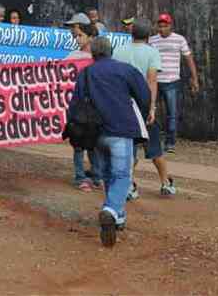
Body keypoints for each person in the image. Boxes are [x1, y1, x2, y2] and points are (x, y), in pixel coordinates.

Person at [68, 37, 150, 247]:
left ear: (93, 54)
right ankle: (111, 209)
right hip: (121, 129)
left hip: (95, 134)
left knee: (106, 174)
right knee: (122, 174)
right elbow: (144, 94)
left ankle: (119, 217)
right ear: (111, 51)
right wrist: (142, 113)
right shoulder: (126, 70)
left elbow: (75, 104)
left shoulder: (85, 73)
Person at [113, 20, 176, 199]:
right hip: (143, 103)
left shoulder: (118, 50)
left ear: (131, 33)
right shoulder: (152, 52)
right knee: (154, 146)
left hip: (124, 103)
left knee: (128, 146)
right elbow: (152, 80)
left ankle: (129, 187)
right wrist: (152, 107)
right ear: (148, 36)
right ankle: (165, 184)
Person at [149, 13, 199, 153]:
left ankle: (170, 143)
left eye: (165, 26)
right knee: (151, 111)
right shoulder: (152, 40)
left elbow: (188, 58)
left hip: (172, 81)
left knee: (172, 113)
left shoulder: (179, 39)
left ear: (170, 26)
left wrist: (194, 78)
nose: (162, 28)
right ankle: (153, 141)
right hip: (155, 82)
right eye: (160, 25)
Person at [65, 22, 102, 191]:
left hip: (95, 107)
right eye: (76, 36)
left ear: (91, 38)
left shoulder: (98, 58)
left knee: (94, 143)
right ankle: (80, 177)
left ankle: (96, 175)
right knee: (78, 143)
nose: (77, 39)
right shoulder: (73, 55)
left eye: (81, 36)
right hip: (78, 107)